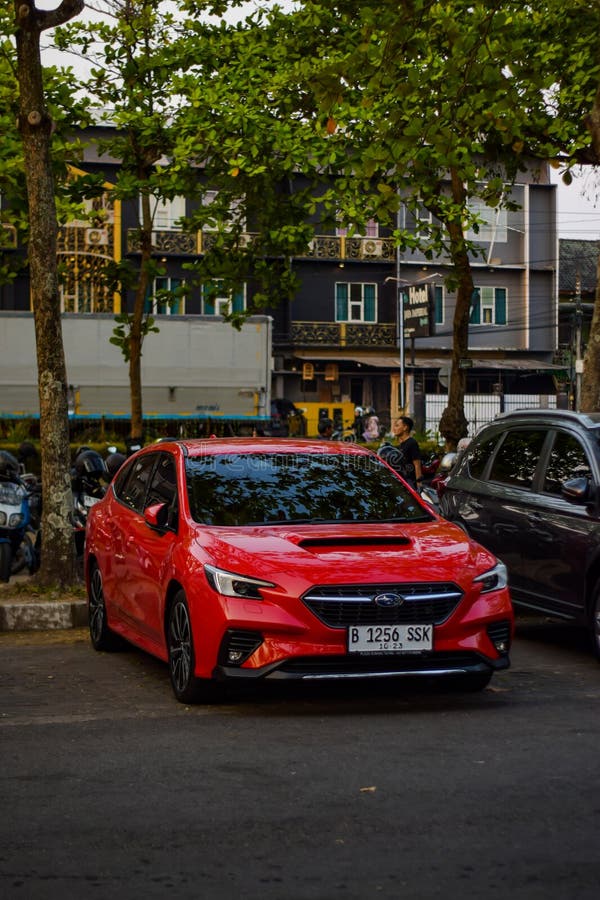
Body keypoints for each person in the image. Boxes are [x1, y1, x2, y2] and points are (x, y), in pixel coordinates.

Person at [390, 415, 422, 489]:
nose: (394, 428)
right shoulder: (401, 444)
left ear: (405, 428)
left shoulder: (412, 443)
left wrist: (419, 484)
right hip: (401, 480)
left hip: (409, 482)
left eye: (397, 426)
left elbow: (417, 464)